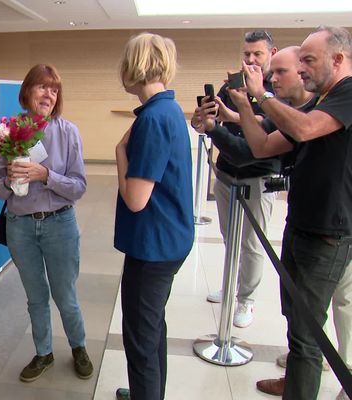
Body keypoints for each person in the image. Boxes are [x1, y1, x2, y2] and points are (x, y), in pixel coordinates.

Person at [204, 26, 352, 400]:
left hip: (329, 234)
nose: (301, 70)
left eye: (308, 61)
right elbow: (260, 144)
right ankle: (297, 382)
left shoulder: (347, 94)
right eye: (298, 61)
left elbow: (302, 130)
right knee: (298, 324)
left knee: (307, 334)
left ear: (338, 60)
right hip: (302, 226)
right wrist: (241, 106)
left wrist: (260, 96)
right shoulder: (318, 102)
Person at [0, 64, 93, 382]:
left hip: (59, 224)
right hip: (20, 225)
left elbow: (79, 186)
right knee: (35, 296)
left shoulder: (68, 132)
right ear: (27, 91)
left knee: (65, 295)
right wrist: (9, 180)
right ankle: (43, 352)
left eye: (54, 89)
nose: (49, 94)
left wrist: (46, 175)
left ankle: (78, 347)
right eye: (42, 87)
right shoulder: (5, 132)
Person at [114, 33, 194, 400]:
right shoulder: (166, 109)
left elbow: (135, 200)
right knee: (152, 328)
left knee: (141, 342)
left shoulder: (154, 119)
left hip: (154, 247)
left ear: (134, 67)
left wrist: (118, 152)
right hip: (169, 239)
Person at [197, 30, 278, 328]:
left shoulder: (276, 88)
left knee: (252, 243)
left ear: (272, 52)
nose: (251, 60)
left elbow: (266, 125)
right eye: (247, 54)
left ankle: (247, 300)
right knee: (230, 236)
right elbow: (211, 119)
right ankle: (230, 285)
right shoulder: (231, 85)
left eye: (258, 54)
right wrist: (204, 117)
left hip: (258, 178)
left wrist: (234, 113)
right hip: (227, 173)